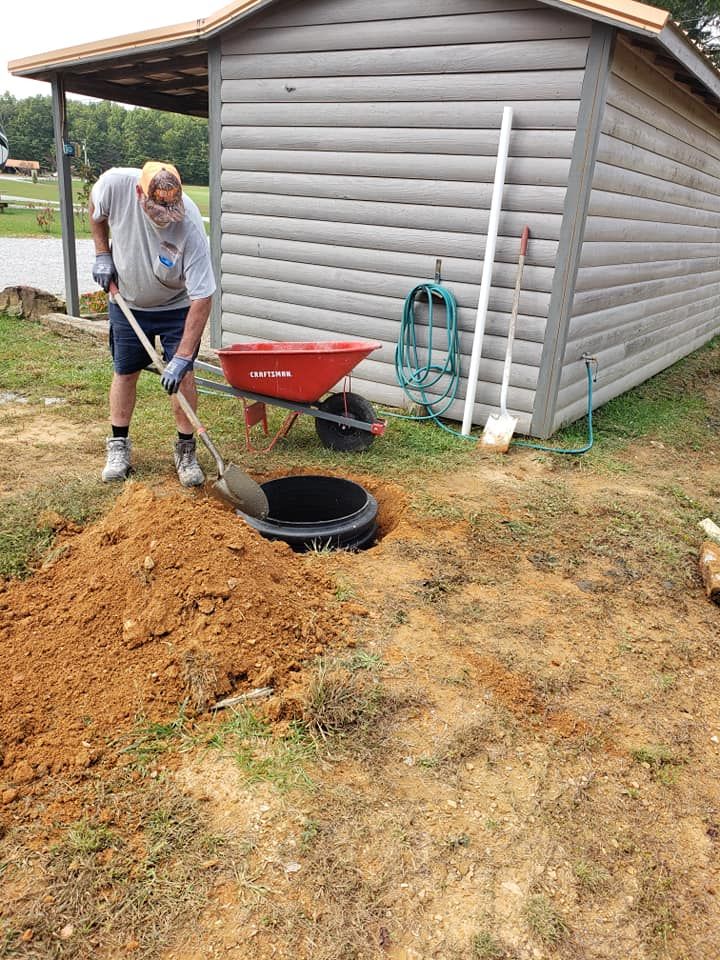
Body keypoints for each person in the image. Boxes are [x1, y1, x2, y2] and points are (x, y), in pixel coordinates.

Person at [89, 161, 216, 487]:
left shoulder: (188, 224)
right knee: (125, 370)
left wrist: (184, 357)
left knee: (184, 375)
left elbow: (202, 298)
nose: (164, 220)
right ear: (138, 193)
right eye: (157, 210)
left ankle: (186, 450)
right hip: (128, 301)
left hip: (177, 306)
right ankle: (118, 446)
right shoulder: (115, 184)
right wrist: (102, 253)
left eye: (169, 211)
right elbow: (95, 210)